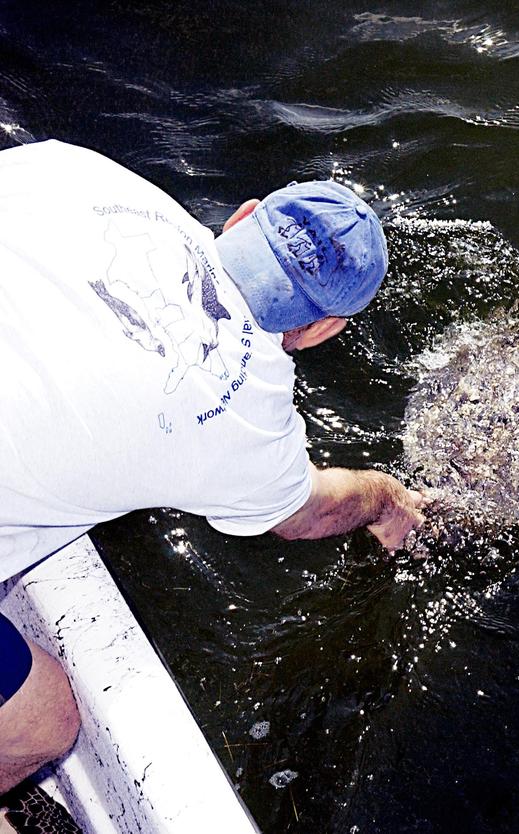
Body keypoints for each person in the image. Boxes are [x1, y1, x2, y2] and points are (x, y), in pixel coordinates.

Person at [0, 140, 428, 796]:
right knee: (43, 722)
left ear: (242, 216)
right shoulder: (241, 413)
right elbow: (305, 512)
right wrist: (385, 499)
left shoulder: (79, 168)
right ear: (324, 330)